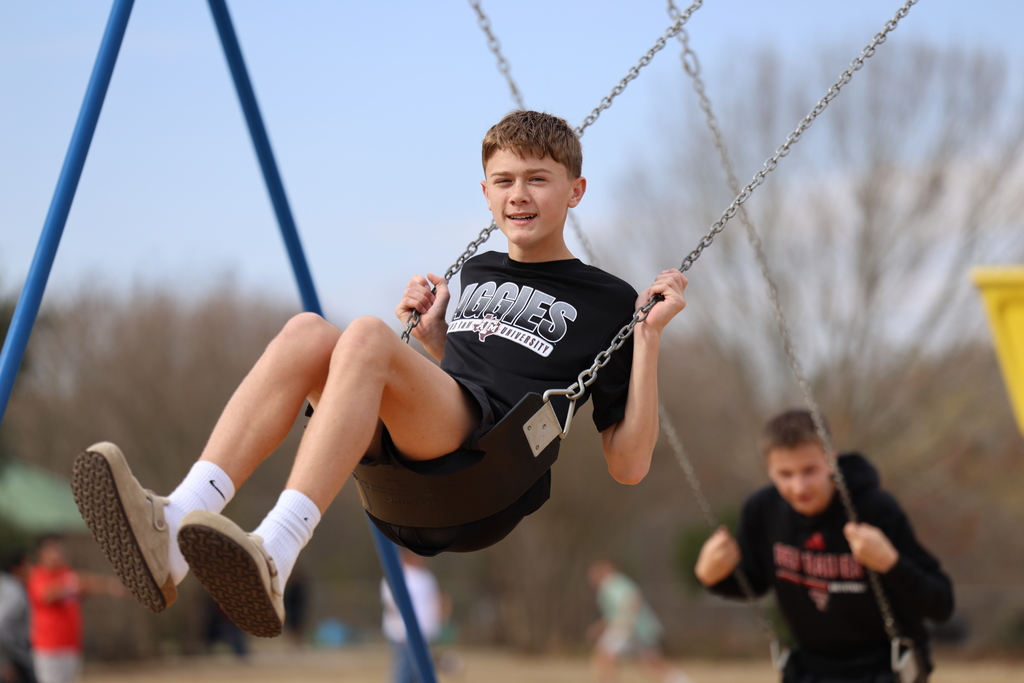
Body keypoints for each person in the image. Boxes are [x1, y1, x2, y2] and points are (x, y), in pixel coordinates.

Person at [71, 109, 689, 639]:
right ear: (484, 192)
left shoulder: (609, 300)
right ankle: (174, 524)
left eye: (538, 179)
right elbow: (473, 369)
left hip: (488, 466)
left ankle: (275, 553)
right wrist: (432, 341)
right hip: (422, 451)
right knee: (307, 331)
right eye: (503, 180)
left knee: (365, 334)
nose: (518, 195)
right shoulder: (474, 271)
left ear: (575, 191)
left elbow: (628, 464)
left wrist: (649, 339)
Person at [694, 410, 954, 683]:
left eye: (809, 470)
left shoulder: (873, 510)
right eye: (785, 474)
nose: (799, 486)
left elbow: (941, 604)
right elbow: (754, 583)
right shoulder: (762, 511)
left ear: (831, 460)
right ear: (769, 470)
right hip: (810, 668)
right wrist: (711, 577)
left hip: (883, 667)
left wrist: (890, 563)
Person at [26, 537, 124, 683]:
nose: (56, 554)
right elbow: (47, 595)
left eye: (57, 549)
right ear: (41, 553)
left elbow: (85, 583)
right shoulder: (37, 575)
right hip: (48, 646)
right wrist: (71, 585)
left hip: (71, 644)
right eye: (51, 550)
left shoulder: (66, 572)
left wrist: (109, 586)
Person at [586, 560, 690, 683]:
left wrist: (626, 622)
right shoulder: (619, 582)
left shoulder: (612, 583)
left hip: (628, 629)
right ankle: (682, 680)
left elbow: (633, 599)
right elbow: (615, 612)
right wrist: (599, 626)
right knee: (652, 663)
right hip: (641, 629)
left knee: (604, 655)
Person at [380, 550, 442, 683]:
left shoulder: (427, 577)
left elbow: (434, 602)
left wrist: (434, 627)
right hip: (402, 635)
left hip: (424, 633)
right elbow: (392, 606)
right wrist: (402, 630)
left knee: (420, 672)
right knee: (405, 671)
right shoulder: (396, 575)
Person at [0, 550, 36, 683]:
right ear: (16, 568)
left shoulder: (5, 586)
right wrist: (4, 662)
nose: (31, 569)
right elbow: (1, 627)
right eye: (28, 565)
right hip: (14, 659)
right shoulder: (14, 594)